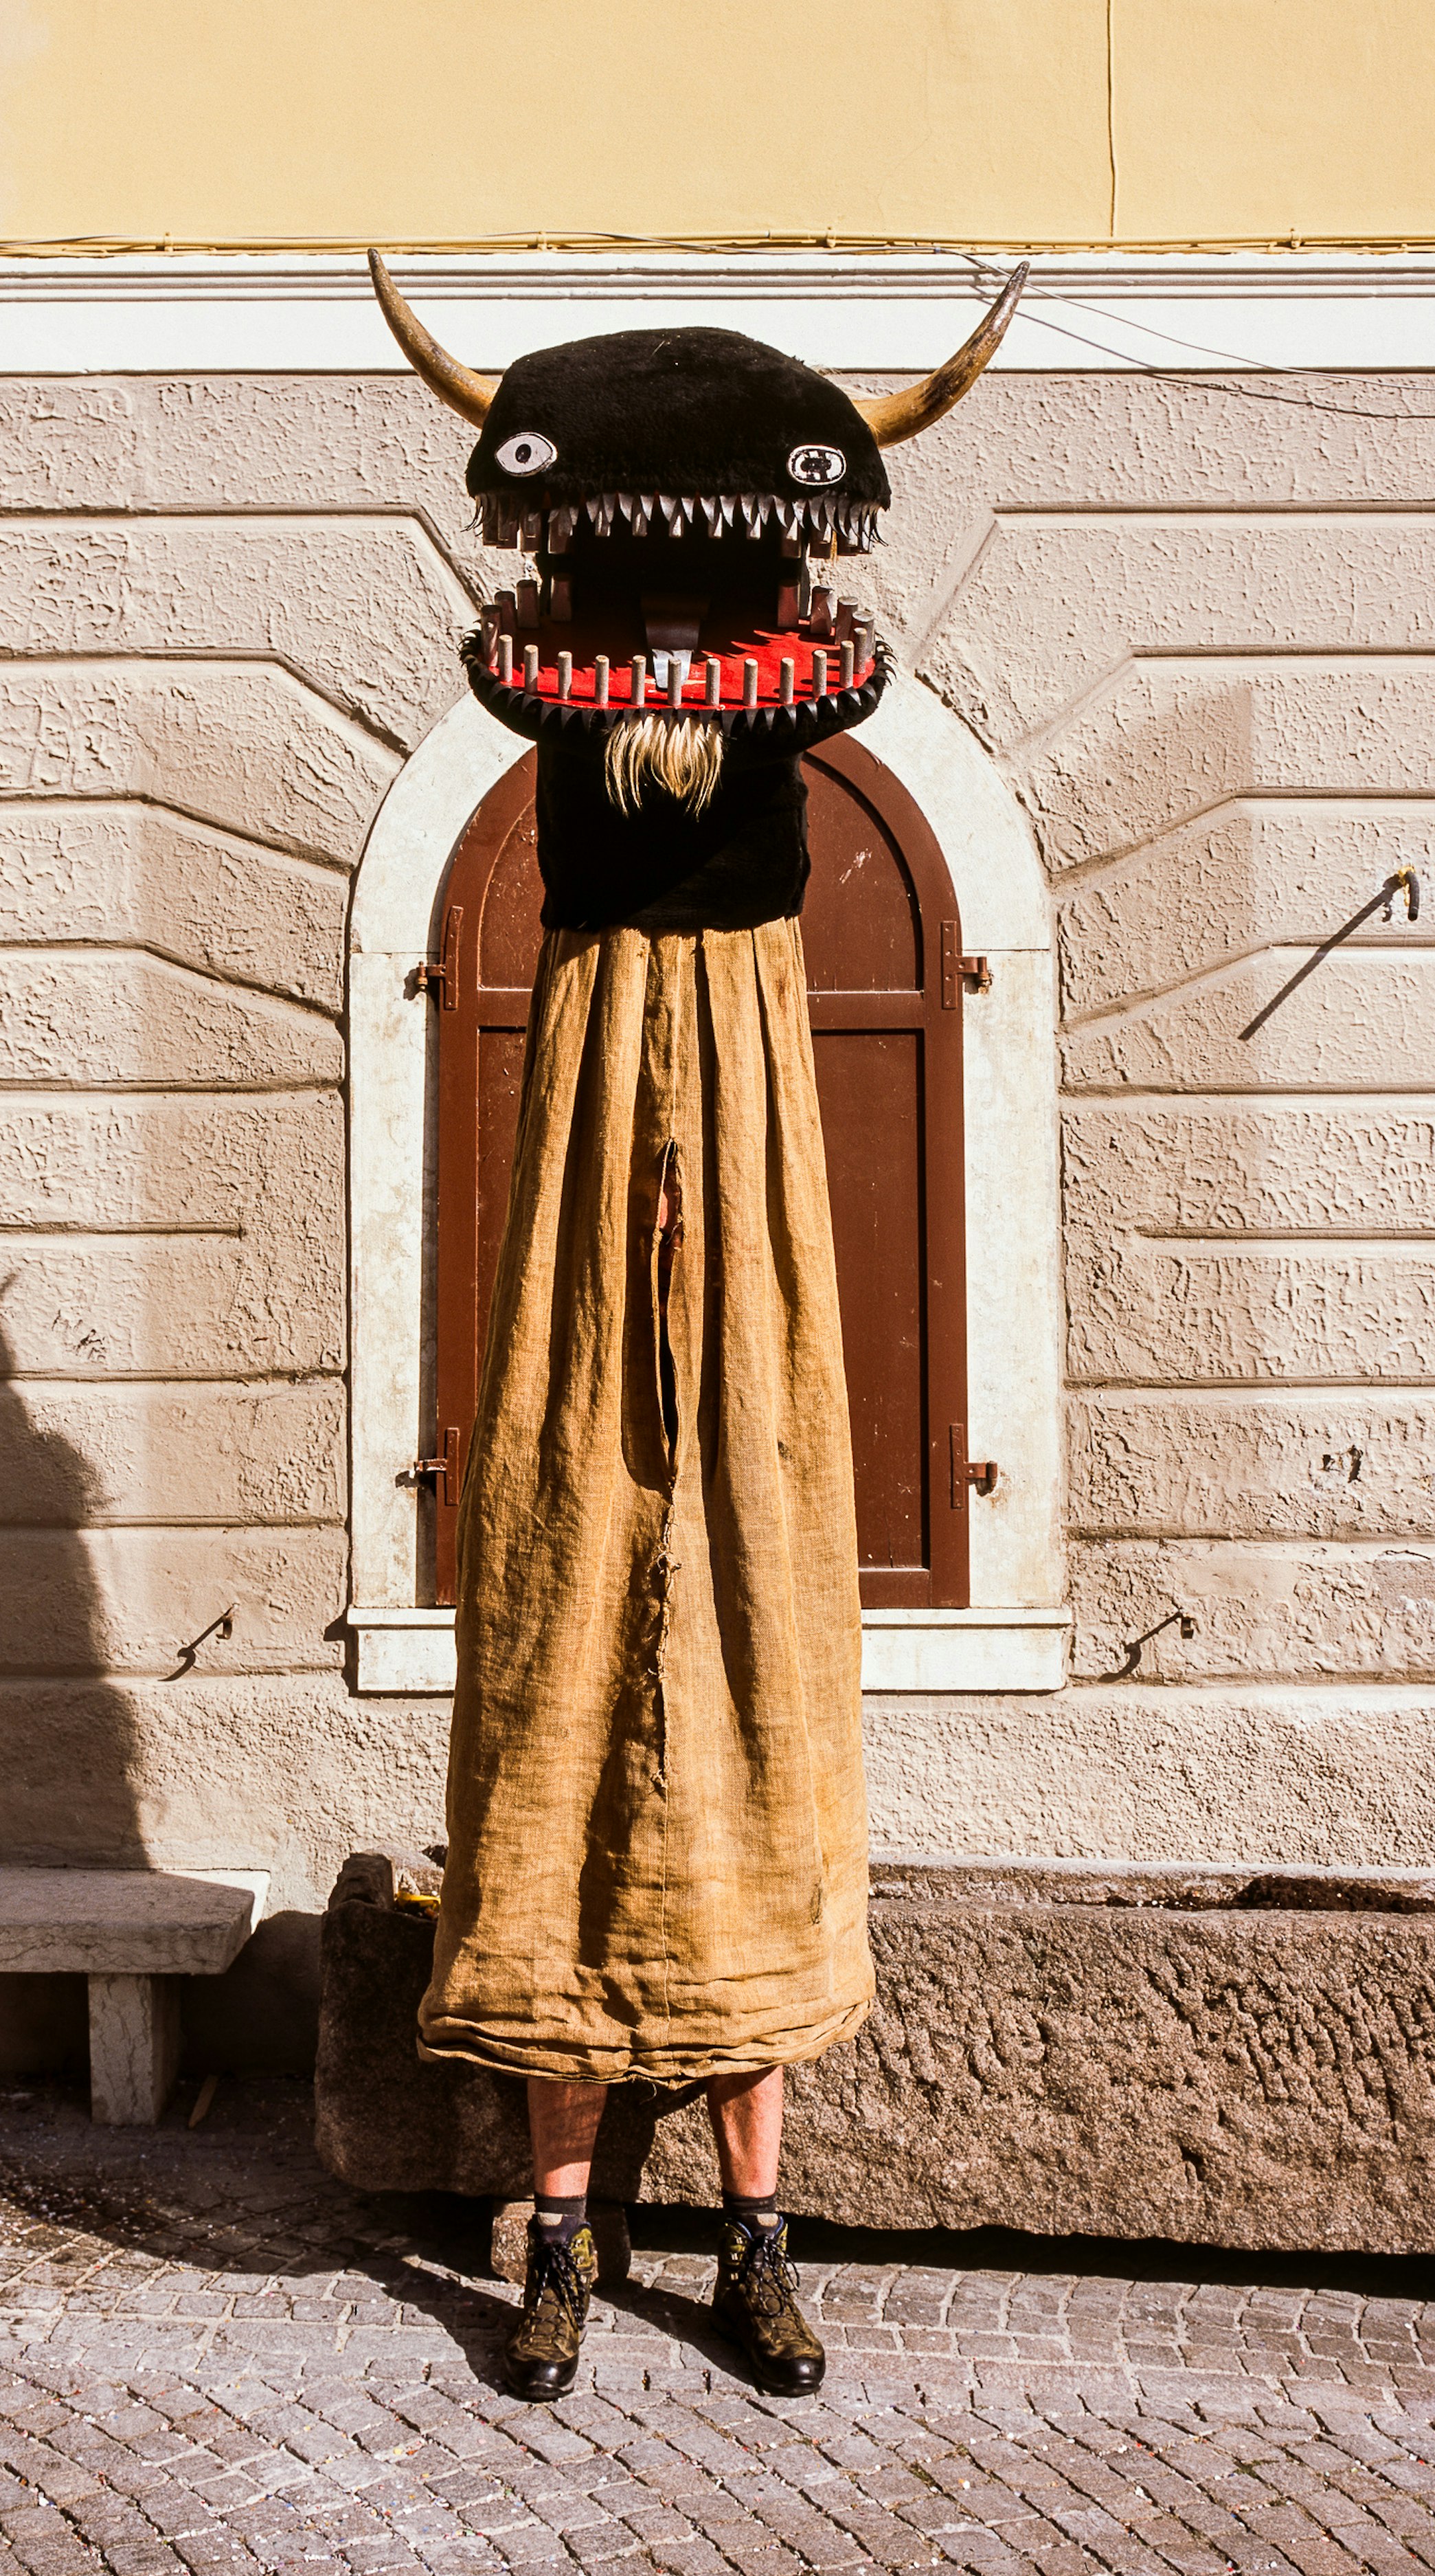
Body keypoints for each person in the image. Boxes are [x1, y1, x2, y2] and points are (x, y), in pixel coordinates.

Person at [372, 256, 1022, 2399]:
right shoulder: (569, 717)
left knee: (755, 1711)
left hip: (735, 1078)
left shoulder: (774, 718)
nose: (660, 656)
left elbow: (810, 674)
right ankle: (562, 2238)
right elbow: (536, 670)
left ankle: (752, 2236)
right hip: (605, 1082)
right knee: (562, 1722)